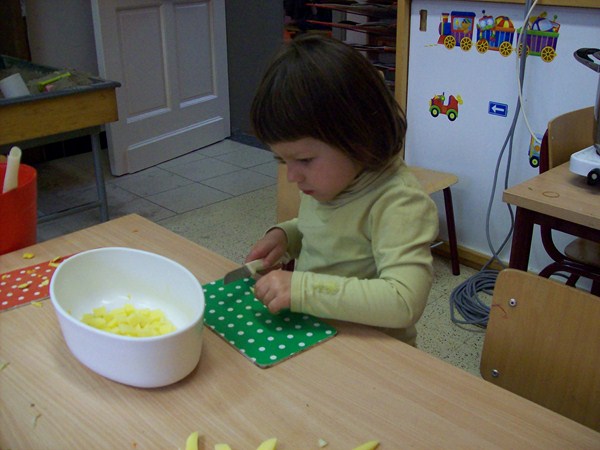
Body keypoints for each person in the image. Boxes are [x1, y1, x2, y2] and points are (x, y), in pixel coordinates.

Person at [245, 34, 439, 345]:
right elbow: (329, 232)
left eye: (304, 160)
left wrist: (302, 289)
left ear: (359, 137)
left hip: (373, 352)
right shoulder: (329, 182)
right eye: (282, 160)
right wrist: (288, 236)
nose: (292, 176)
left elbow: (404, 301)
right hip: (318, 334)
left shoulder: (399, 202)